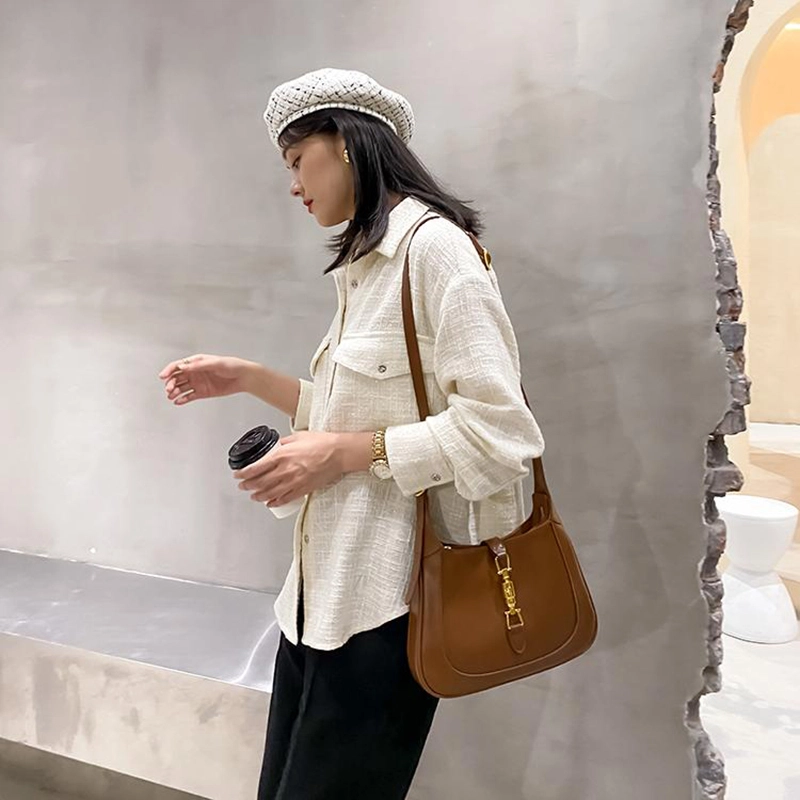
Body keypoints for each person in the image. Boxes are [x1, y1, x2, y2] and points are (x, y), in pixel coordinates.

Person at [158, 67, 545, 800]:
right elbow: (358, 413)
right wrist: (249, 378)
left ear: (344, 141)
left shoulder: (438, 253)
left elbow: (502, 434)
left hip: (390, 612)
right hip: (316, 599)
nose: (293, 186)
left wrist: (347, 453)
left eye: (296, 160)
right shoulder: (366, 267)